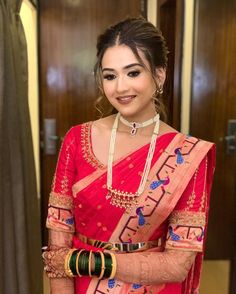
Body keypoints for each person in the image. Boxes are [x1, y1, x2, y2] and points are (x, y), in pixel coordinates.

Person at [42, 17, 216, 294]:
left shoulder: (187, 155)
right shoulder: (76, 139)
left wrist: (82, 261)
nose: (120, 88)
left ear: (159, 75)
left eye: (133, 73)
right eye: (110, 75)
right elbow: (58, 245)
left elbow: (178, 264)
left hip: (153, 288)